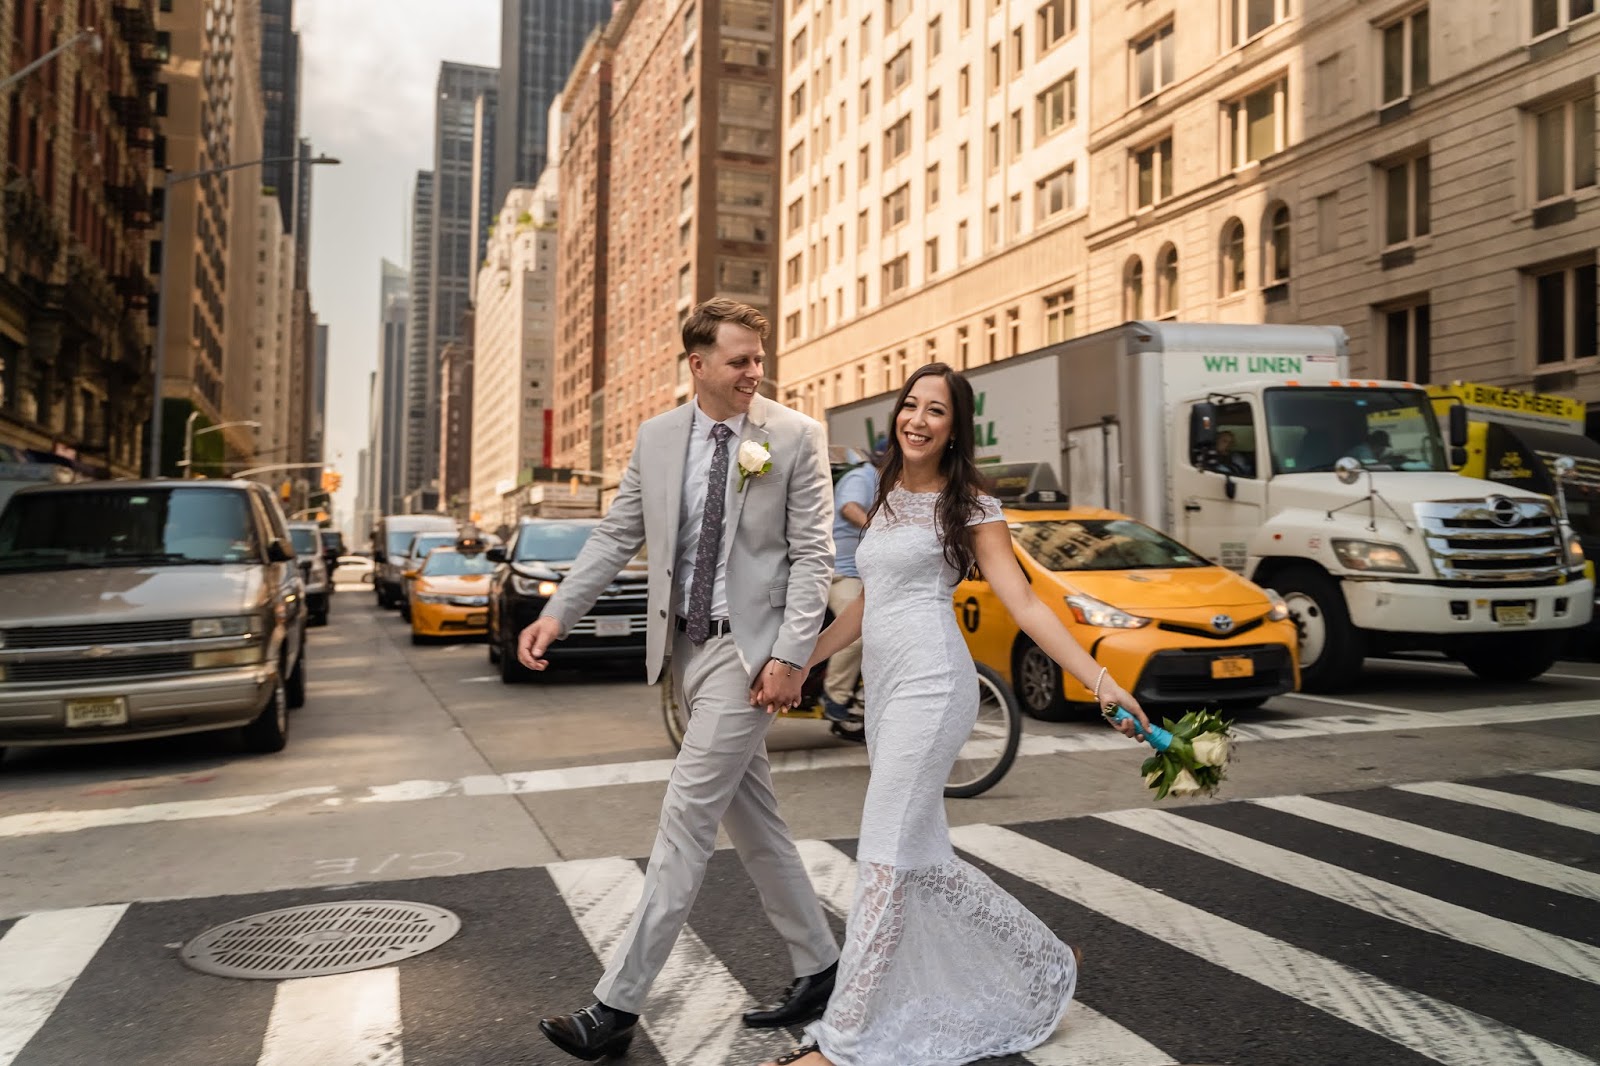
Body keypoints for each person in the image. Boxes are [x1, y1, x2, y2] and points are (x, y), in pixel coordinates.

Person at [760, 362, 1151, 1066]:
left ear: (954, 428)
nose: (917, 419)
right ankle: (1043, 956)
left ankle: (840, 1042)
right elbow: (868, 604)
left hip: (935, 688)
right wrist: (801, 661)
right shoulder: (881, 497)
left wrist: (1100, 679)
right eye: (910, 405)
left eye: (935, 410)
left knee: (882, 856)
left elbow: (1028, 605)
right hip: (886, 691)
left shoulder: (969, 503)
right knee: (923, 860)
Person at [519, 299, 841, 1061]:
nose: (753, 373)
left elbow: (813, 558)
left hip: (750, 654)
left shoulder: (794, 436)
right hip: (687, 654)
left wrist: (792, 655)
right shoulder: (659, 439)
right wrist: (558, 614)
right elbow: (616, 533)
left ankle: (616, 1007)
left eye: (759, 359)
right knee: (752, 820)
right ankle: (822, 965)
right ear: (697, 365)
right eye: (738, 361)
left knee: (685, 821)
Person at [820, 446, 881, 722]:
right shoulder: (864, 475)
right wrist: (882, 529)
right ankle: (835, 697)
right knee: (856, 633)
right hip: (841, 572)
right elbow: (849, 508)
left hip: (861, 573)